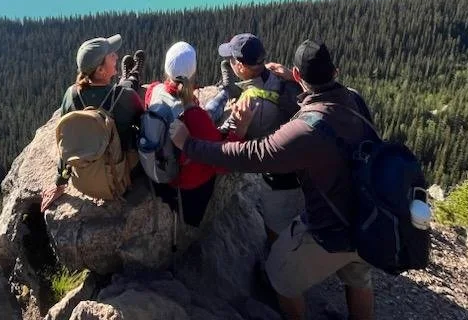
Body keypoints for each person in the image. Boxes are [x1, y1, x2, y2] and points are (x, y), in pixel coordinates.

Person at [170, 39, 376, 320]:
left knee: (278, 272)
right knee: (358, 278)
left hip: (332, 225)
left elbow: (250, 155)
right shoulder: (355, 99)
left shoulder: (305, 129)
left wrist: (189, 145)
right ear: (336, 72)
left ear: (296, 75)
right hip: (367, 215)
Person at [207, 32, 304, 241]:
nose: (229, 62)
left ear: (241, 67)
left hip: (277, 178)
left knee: (276, 226)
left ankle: (276, 263)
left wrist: (237, 123)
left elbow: (223, 144)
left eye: (231, 59)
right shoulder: (276, 76)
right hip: (300, 165)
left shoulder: (248, 105)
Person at [145, 41, 251, 227]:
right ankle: (225, 90)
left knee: (209, 112)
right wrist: (239, 130)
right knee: (213, 118)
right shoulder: (194, 116)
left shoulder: (154, 90)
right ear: (193, 72)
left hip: (161, 170)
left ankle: (225, 90)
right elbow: (222, 162)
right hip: (188, 188)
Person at [40, 34, 143, 211]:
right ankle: (133, 76)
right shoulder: (125, 97)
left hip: (84, 182)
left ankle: (131, 76)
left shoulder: (71, 95)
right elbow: (144, 121)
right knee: (128, 90)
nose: (116, 56)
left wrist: (60, 182)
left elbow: (66, 141)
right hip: (120, 180)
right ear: (101, 71)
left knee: (123, 89)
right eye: (112, 56)